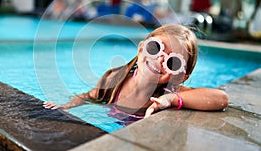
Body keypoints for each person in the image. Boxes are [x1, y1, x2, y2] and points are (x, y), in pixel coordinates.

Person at [43, 24, 228, 123]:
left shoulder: (169, 94)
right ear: (141, 49)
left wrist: (171, 100)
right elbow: (88, 96)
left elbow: (221, 98)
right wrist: (66, 106)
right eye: (155, 48)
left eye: (173, 62)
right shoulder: (114, 80)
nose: (159, 61)